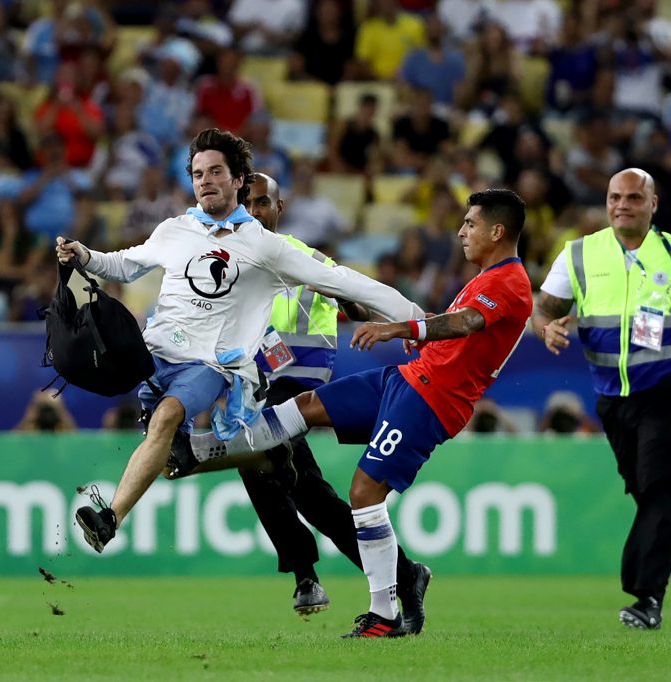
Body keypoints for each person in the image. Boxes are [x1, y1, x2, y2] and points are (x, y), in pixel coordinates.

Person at [55, 127, 423, 557]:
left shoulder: (265, 247)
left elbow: (342, 281)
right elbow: (124, 265)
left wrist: (417, 319)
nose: (205, 181)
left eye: (215, 172)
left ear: (237, 181)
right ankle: (263, 457)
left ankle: (110, 519)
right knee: (174, 459)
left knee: (166, 418)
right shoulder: (175, 230)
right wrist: (84, 256)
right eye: (197, 174)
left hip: (213, 367)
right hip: (157, 355)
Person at [185, 188, 532, 637]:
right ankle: (217, 449)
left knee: (363, 493)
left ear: (497, 230)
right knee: (304, 410)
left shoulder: (509, 280)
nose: (462, 231)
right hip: (409, 378)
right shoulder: (486, 277)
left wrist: (398, 327)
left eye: (471, 223)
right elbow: (457, 331)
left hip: (432, 398)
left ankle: (384, 614)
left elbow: (465, 323)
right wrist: (420, 336)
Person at [238, 172, 432, 629]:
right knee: (310, 493)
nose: (254, 211)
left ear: (279, 209)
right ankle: (406, 576)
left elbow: (358, 306)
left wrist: (338, 290)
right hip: (252, 388)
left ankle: (306, 575)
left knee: (257, 462)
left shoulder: (307, 259)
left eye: (262, 202)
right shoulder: (229, 266)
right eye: (246, 203)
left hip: (298, 388)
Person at [531, 168, 671, 630]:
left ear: (653, 204)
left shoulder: (670, 253)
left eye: (633, 197)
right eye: (614, 197)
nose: (622, 205)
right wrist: (546, 326)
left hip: (664, 393)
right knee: (647, 493)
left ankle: (646, 598)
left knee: (660, 488)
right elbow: (544, 307)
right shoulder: (580, 254)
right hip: (612, 401)